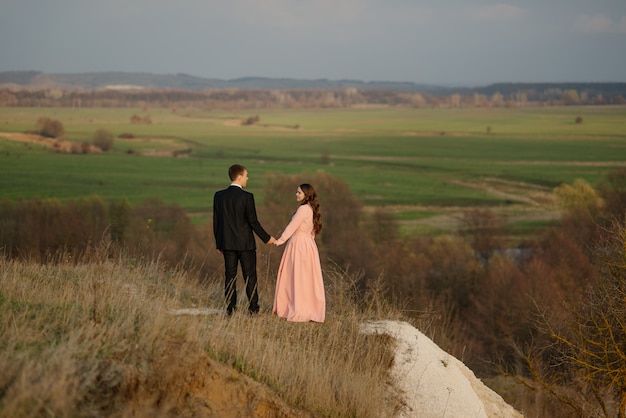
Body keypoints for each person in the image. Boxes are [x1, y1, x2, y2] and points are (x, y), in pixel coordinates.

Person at [213, 164, 276, 316]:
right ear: (239, 177)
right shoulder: (247, 197)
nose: (248, 178)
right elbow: (253, 222)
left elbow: (217, 222)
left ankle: (230, 309)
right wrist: (267, 238)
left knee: (230, 276)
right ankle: (253, 309)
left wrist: (219, 244)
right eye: (246, 175)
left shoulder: (219, 196)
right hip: (246, 244)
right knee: (250, 276)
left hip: (227, 244)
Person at [272, 184, 325, 322]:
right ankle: (308, 308)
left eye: (299, 192)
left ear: (306, 194)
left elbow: (292, 227)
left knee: (295, 276)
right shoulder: (310, 209)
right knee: (306, 278)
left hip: (298, 245)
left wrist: (280, 240)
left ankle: (296, 308)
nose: (296, 194)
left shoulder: (302, 209)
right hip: (309, 245)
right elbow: (312, 232)